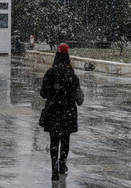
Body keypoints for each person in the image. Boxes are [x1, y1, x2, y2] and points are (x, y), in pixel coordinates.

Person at [40, 43, 84, 181]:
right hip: (68, 113)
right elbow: (80, 99)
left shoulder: (50, 74)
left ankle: (54, 169)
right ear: (68, 58)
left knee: (54, 141)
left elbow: (43, 94)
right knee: (65, 140)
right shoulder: (73, 77)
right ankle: (62, 164)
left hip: (53, 112)